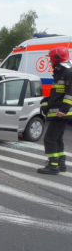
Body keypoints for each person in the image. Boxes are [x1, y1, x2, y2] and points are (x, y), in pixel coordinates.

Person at [38, 46, 72, 175]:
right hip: (61, 112)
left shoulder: (67, 72)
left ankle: (53, 165)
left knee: (49, 138)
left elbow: (70, 93)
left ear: (56, 58)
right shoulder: (60, 71)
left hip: (62, 113)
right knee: (57, 138)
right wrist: (46, 101)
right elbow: (58, 92)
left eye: (50, 58)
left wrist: (63, 109)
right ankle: (61, 163)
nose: (50, 61)